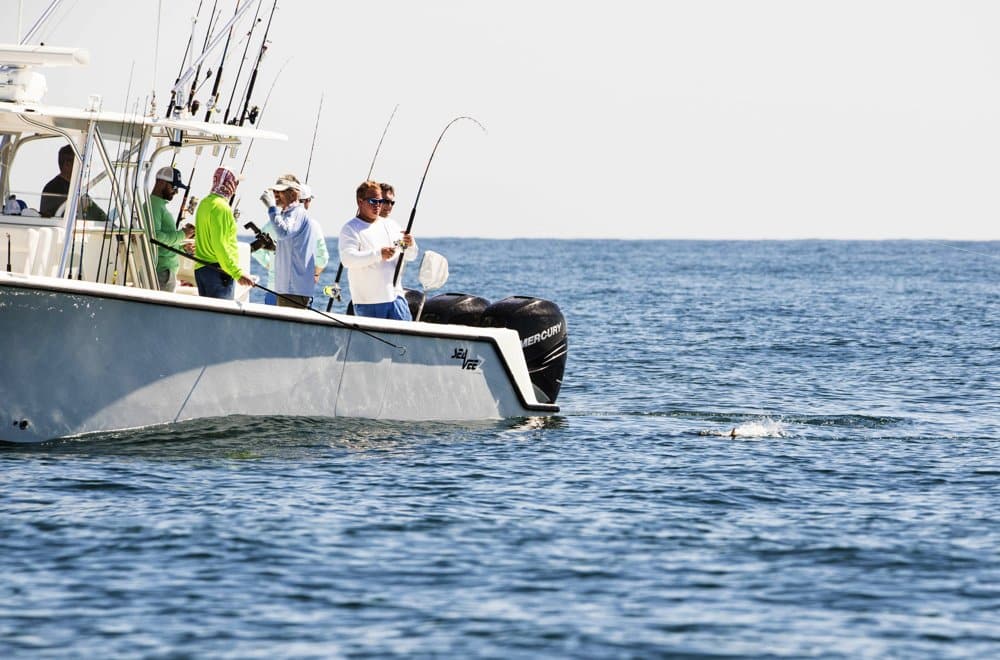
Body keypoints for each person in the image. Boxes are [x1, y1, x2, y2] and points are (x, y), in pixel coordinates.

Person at [338, 179, 418, 320]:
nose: (378, 205)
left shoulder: (392, 226)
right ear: (360, 202)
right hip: (369, 303)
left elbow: (410, 255)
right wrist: (379, 254)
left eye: (380, 201)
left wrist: (410, 245)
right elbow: (348, 259)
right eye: (373, 201)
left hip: (397, 299)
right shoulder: (350, 228)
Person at [259, 174, 325, 308]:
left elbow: (284, 232)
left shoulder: (297, 212)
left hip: (293, 290)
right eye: (275, 191)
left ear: (293, 194)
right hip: (288, 289)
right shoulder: (289, 214)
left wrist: (271, 208)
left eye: (280, 191)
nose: (275, 194)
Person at [193, 166, 254, 299]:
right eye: (235, 183)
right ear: (229, 184)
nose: (235, 187)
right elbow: (220, 245)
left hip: (201, 271)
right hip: (218, 273)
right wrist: (237, 273)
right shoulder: (222, 208)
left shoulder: (204, 203)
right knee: (220, 313)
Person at [146, 166, 195, 292]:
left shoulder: (158, 205)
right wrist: (182, 235)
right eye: (174, 187)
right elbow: (155, 237)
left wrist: (182, 248)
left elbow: (162, 242)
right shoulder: (154, 206)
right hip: (162, 274)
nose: (176, 192)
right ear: (162, 183)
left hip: (165, 273)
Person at [39, 144, 107, 221]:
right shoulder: (53, 189)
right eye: (81, 162)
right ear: (67, 164)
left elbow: (101, 216)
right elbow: (52, 218)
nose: (86, 167)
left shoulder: (77, 189)